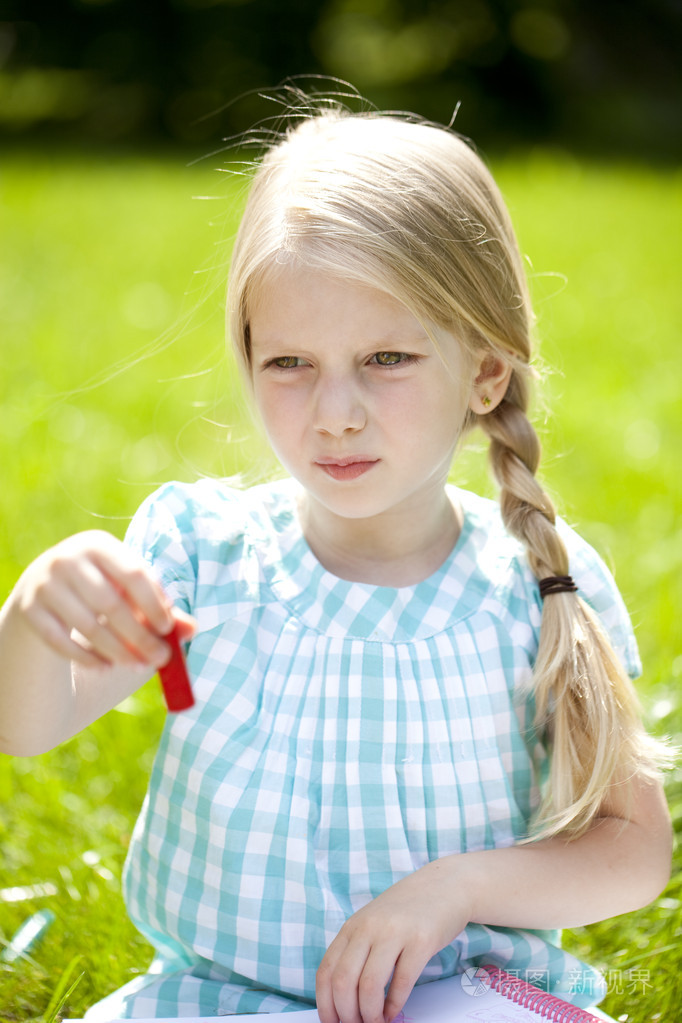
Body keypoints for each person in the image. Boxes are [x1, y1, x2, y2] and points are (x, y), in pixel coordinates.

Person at [0, 102, 672, 1023]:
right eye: (290, 363)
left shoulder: (537, 586)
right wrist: (34, 613)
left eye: (386, 357)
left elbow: (632, 848)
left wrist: (458, 886)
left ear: (485, 371)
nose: (334, 414)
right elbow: (27, 726)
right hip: (220, 1003)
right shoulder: (202, 558)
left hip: (455, 1000)